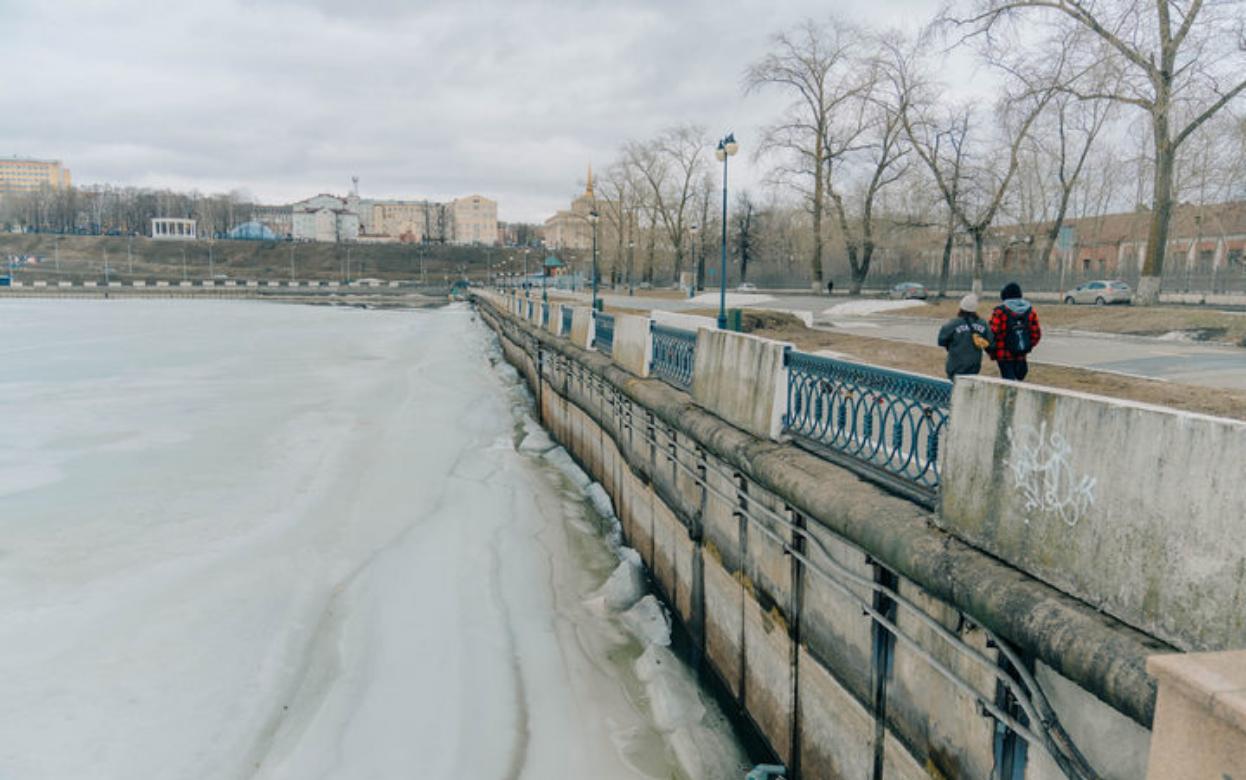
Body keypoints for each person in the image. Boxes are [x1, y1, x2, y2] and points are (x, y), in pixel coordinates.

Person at [988, 282, 1042, 381]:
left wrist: (993, 350)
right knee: (1019, 382)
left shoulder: (1000, 312)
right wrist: (1026, 346)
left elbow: (992, 334)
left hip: (1003, 355)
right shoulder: (1030, 311)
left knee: (1008, 384)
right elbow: (1036, 334)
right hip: (1021, 354)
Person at [937, 294, 991, 380]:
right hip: (974, 366)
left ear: (961, 307)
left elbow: (941, 341)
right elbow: (990, 343)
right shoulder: (982, 324)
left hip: (954, 365)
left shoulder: (953, 324)